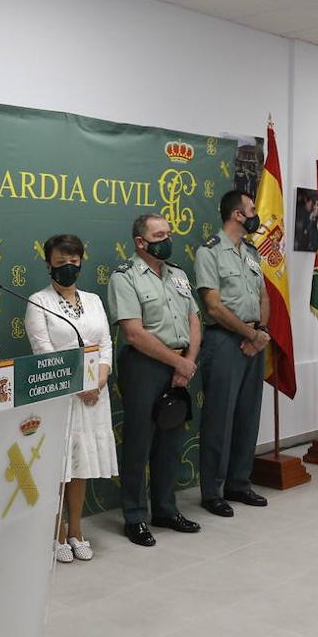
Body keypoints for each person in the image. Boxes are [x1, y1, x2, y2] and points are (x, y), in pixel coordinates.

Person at [107, 214, 202, 546]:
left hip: (179, 365)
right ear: (140, 242)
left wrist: (187, 363)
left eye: (169, 233)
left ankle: (165, 508)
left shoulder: (177, 274)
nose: (167, 239)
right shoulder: (125, 276)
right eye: (159, 234)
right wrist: (178, 361)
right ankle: (135, 516)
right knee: (139, 442)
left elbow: (194, 319)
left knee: (172, 442)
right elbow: (133, 333)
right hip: (144, 366)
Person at [25, 234, 117, 563]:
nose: (68, 265)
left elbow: (106, 343)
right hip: (60, 395)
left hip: (95, 395)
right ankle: (57, 532)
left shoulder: (93, 300)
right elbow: (43, 353)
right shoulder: (38, 301)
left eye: (74, 259)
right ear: (49, 262)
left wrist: (99, 380)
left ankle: (77, 530)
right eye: (61, 259)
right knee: (58, 467)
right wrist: (78, 385)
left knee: (80, 466)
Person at [195, 190, 270, 517]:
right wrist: (249, 334)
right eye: (252, 209)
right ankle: (212, 491)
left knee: (247, 415)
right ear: (238, 215)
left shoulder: (251, 251)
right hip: (224, 341)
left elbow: (263, 296)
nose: (256, 215)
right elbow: (213, 306)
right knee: (219, 419)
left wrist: (260, 333)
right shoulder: (209, 252)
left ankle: (239, 483)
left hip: (254, 340)